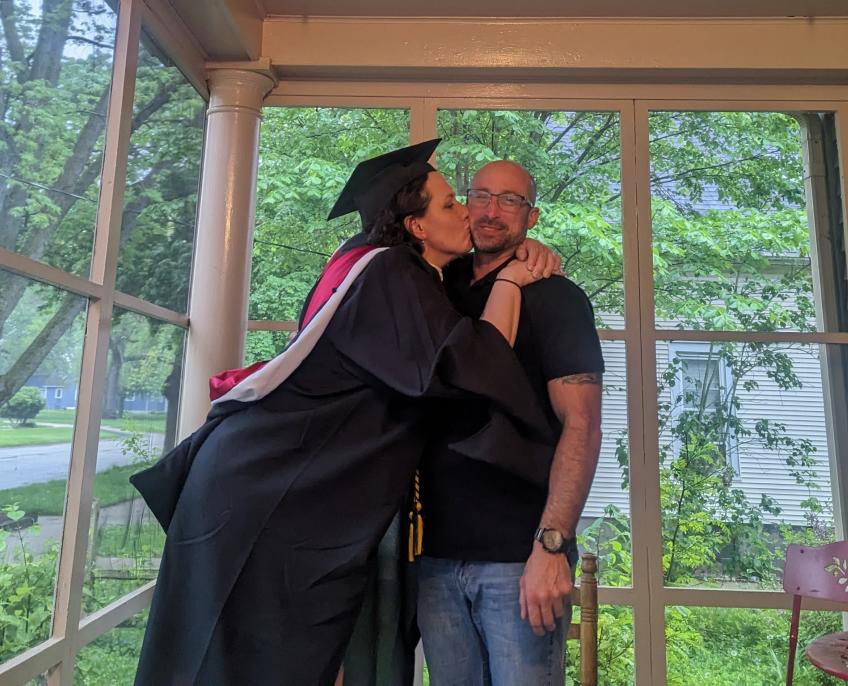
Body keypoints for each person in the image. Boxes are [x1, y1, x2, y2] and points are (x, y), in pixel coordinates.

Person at [130, 141, 562, 686]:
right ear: (417, 227)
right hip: (268, 498)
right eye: (454, 203)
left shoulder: (378, 266)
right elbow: (475, 362)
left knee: (273, 655)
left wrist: (525, 251)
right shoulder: (393, 276)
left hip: (278, 487)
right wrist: (510, 280)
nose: (472, 215)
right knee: (241, 660)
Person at [417, 160, 605, 684]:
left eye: (510, 200)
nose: (491, 212)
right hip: (435, 559)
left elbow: (583, 426)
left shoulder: (555, 297)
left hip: (518, 559)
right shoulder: (436, 289)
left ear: (532, 216)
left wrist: (551, 546)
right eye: (480, 196)